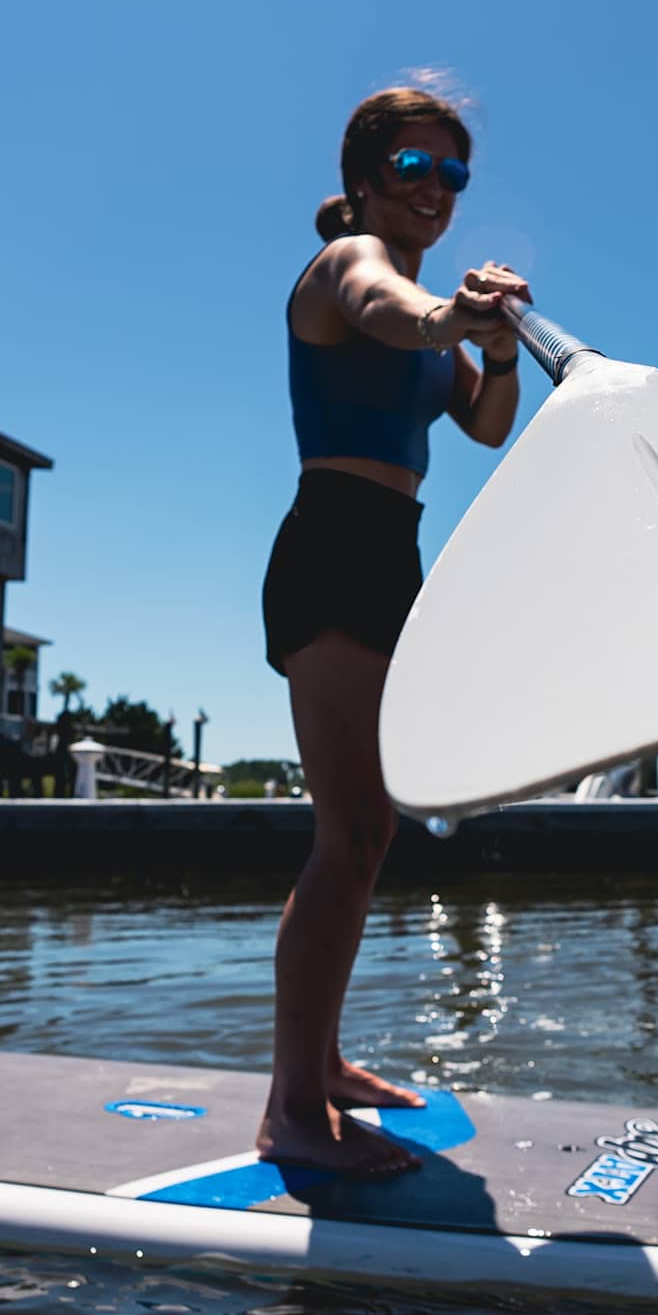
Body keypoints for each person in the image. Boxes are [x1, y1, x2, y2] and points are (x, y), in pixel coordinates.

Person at [260, 86, 529, 1175]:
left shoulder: (428, 310)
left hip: (394, 554)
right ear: (370, 177)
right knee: (347, 836)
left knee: (369, 836)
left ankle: (321, 1065)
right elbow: (390, 310)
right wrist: (456, 316)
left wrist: (497, 347)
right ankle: (290, 1110)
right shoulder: (350, 269)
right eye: (417, 170)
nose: (436, 193)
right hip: (330, 546)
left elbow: (484, 423)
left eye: (453, 176)